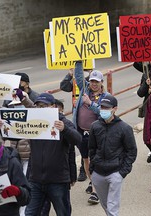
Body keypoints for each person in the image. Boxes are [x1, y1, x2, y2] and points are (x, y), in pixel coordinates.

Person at [21, 93, 82, 216]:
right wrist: (3, 127)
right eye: (38, 106)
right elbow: (14, 131)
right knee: (30, 213)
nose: (41, 109)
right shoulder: (34, 122)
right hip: (36, 180)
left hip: (58, 181)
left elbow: (77, 140)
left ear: (53, 106)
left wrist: (65, 129)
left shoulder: (63, 122)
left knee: (63, 212)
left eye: (44, 106)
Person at [60, 61, 110, 204]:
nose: (93, 84)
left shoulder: (105, 96)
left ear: (101, 83)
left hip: (96, 134)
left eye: (97, 82)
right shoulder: (84, 90)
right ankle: (93, 182)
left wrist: (90, 104)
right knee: (86, 160)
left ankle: (95, 191)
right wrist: (78, 62)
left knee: (95, 160)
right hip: (81, 132)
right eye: (92, 81)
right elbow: (79, 77)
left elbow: (104, 114)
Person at [89, 95, 137, 216]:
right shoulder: (95, 126)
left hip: (115, 172)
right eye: (102, 107)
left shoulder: (124, 128)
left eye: (107, 107)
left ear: (114, 109)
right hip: (98, 172)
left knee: (112, 206)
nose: (103, 110)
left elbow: (131, 151)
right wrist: (92, 169)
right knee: (106, 205)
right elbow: (91, 148)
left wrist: (122, 172)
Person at [60, 68, 90, 182]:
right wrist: (69, 74)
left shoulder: (91, 80)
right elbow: (63, 86)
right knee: (80, 141)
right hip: (77, 114)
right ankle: (84, 167)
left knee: (89, 143)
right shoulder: (75, 79)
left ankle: (84, 168)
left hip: (89, 114)